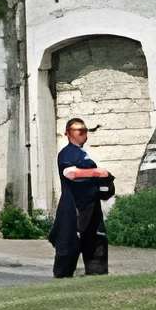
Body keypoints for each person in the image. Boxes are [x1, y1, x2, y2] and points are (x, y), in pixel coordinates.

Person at [49, 118, 116, 279]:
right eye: (78, 130)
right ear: (67, 133)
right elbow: (70, 173)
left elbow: (101, 185)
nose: (82, 134)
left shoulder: (85, 155)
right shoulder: (67, 153)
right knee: (66, 256)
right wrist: (97, 173)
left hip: (92, 212)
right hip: (73, 211)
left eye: (84, 130)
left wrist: (106, 185)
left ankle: (97, 283)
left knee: (97, 251)